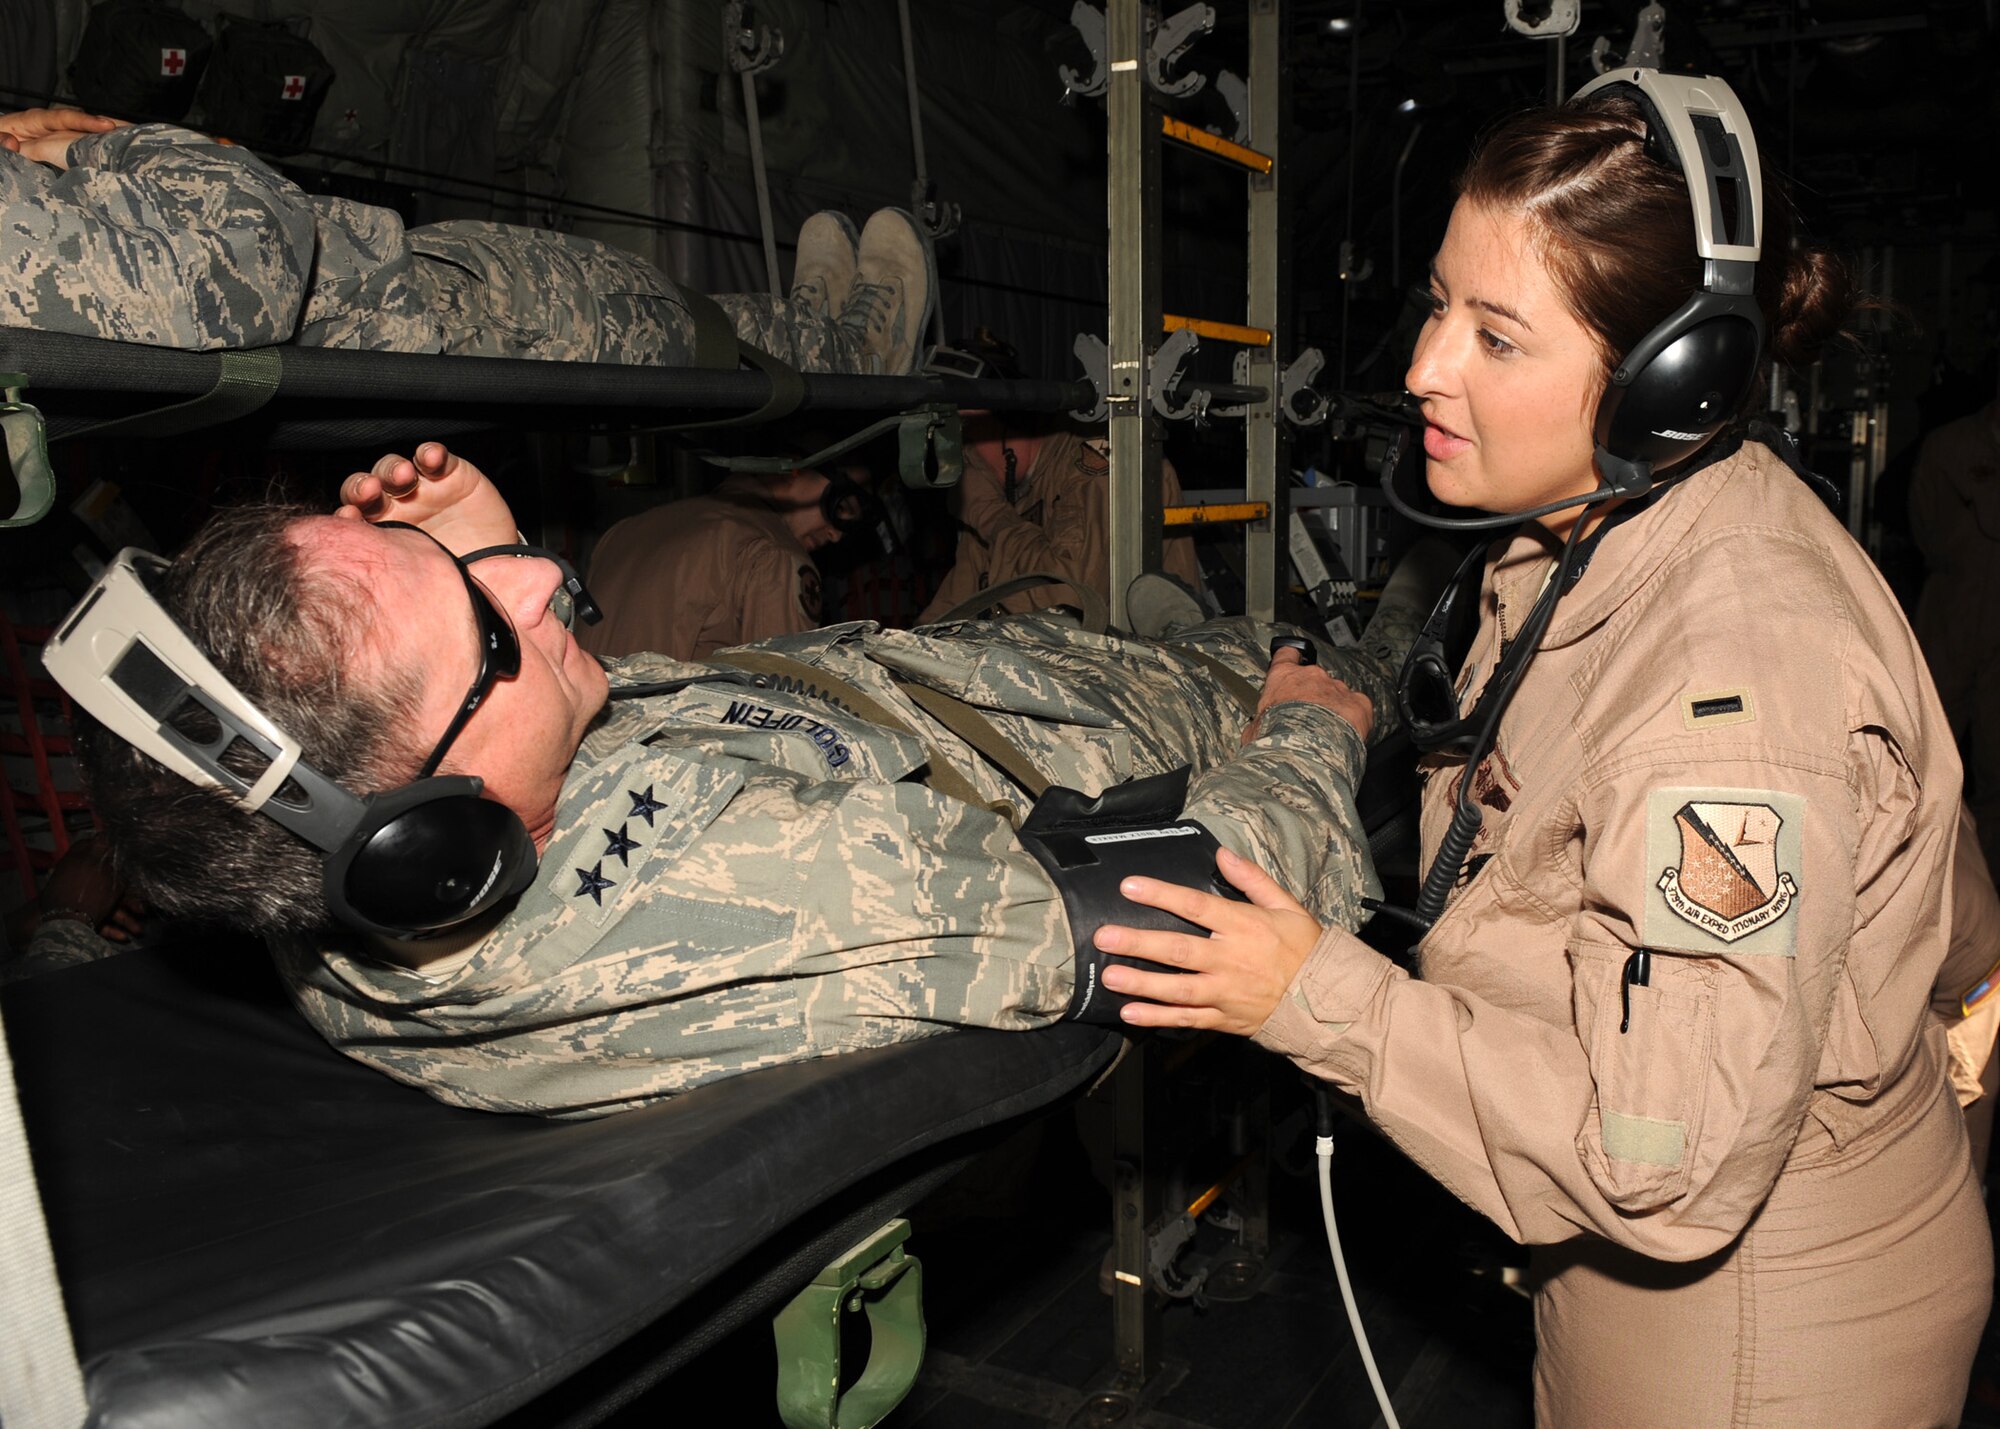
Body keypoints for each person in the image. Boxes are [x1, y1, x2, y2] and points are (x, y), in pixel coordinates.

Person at [1093, 81, 1993, 1426]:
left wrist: (1312, 994)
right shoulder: (1610, 532)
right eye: (1441, 304)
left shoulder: (1731, 688)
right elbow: (1946, 889)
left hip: (1757, 1349)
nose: (1423, 369)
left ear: (1667, 384)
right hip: (1665, 1291)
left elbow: (1662, 1169)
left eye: (1498, 337)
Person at [64, 440, 1426, 1119]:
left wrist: (485, 577)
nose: (542, 578)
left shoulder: (389, 873)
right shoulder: (746, 900)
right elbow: (1186, 912)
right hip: (1169, 746)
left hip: (998, 679)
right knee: (1399, 651)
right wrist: (1313, 729)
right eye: (488, 620)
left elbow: (593, 770)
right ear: (434, 843)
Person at [1, 108, 932, 374]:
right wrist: (105, 142)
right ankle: (856, 350)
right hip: (413, 322)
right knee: (646, 324)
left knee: (638, 296)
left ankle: (807, 325)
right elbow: (241, 271)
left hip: (396, 293)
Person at [918, 415, 1205, 623]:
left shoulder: (1093, 464)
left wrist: (993, 517)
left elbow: (1070, 600)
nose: (963, 458)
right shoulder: (1007, 491)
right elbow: (954, 604)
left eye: (964, 437)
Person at [578, 461, 873, 662]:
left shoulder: (625, 530)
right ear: (794, 468)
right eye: (842, 505)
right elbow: (784, 695)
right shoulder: (773, 553)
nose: (836, 535)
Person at [1910, 379, 2000, 883]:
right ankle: (1930, 880)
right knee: (1928, 759)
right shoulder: (1951, 446)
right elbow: (1926, 529)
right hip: (1951, 614)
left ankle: (1986, 891)